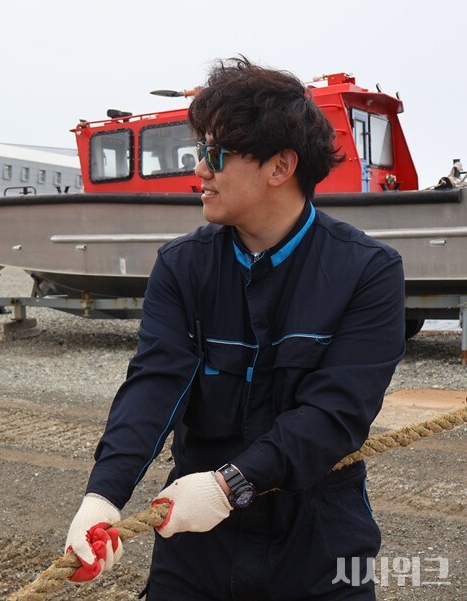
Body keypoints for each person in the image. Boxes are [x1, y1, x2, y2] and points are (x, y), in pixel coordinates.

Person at [63, 57, 406, 600]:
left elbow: (336, 412)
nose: (200, 170)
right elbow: (155, 383)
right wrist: (103, 495)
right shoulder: (181, 267)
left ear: (280, 166)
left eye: (216, 154)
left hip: (319, 541)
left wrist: (230, 485)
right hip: (196, 546)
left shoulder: (368, 272)